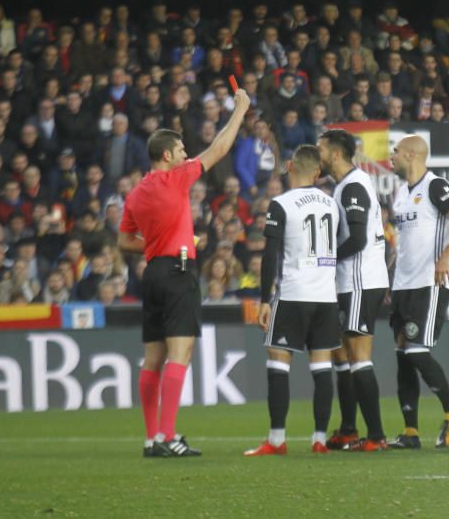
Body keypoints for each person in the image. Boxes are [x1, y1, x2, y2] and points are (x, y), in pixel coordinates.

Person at [118, 88, 251, 458]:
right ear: (166, 156)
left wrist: (154, 244)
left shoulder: (136, 194)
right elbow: (219, 149)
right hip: (177, 272)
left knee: (153, 358)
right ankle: (168, 436)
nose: (185, 156)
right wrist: (239, 110)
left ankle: (150, 439)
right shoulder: (174, 179)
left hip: (155, 272)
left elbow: (124, 241)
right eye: (179, 152)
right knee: (181, 352)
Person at [246, 145, 341, 456]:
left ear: (289, 166)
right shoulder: (331, 204)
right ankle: (319, 439)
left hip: (293, 294)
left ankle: (276, 440)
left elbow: (270, 254)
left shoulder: (281, 203)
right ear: (317, 172)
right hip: (326, 296)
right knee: (322, 366)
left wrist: (264, 299)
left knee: (278, 361)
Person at [388, 134, 449, 449]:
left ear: (412, 155)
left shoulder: (435, 186)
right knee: (403, 355)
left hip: (430, 282)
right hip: (403, 285)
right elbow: (404, 244)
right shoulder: (400, 194)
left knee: (416, 350)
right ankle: (410, 433)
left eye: (395, 152)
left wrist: (445, 258)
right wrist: (391, 277)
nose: (391, 157)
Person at [317, 130, 390, 452]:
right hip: (349, 282)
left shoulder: (353, 186)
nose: (316, 154)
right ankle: (348, 429)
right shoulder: (345, 186)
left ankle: (376, 436)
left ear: (334, 154)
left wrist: (324, 259)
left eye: (320, 148)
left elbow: (358, 240)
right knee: (344, 357)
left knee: (359, 358)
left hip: (360, 281)